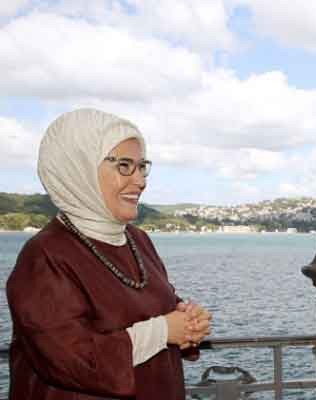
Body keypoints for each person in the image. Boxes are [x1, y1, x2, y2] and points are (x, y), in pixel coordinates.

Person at [6, 108, 212, 399]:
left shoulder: (138, 240)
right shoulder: (44, 256)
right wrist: (163, 331)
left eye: (142, 166)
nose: (140, 181)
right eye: (124, 165)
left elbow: (149, 306)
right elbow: (69, 359)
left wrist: (186, 320)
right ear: (79, 169)